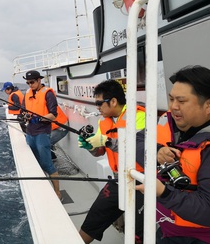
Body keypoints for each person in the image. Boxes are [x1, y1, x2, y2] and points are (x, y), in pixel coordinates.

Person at [136, 65, 210, 243]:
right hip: (166, 227)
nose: (173, 107)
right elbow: (136, 141)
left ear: (208, 105)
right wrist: (157, 151)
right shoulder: (166, 121)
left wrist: (164, 193)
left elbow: (207, 210)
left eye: (182, 101)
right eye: (171, 99)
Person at [78, 79, 146, 244]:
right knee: (91, 222)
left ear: (113, 101)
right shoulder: (104, 121)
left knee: (139, 235)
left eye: (100, 103)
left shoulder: (140, 116)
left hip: (141, 182)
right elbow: (100, 151)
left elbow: (139, 150)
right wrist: (91, 146)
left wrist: (106, 140)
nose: (98, 108)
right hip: (117, 180)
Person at [21, 70, 61, 199]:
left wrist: (38, 119)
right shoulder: (27, 93)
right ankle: (44, 189)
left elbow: (54, 114)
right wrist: (25, 115)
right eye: (27, 83)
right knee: (35, 162)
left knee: (47, 164)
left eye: (32, 82)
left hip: (42, 133)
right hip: (30, 132)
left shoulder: (48, 94)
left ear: (39, 80)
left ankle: (57, 193)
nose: (30, 85)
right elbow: (23, 110)